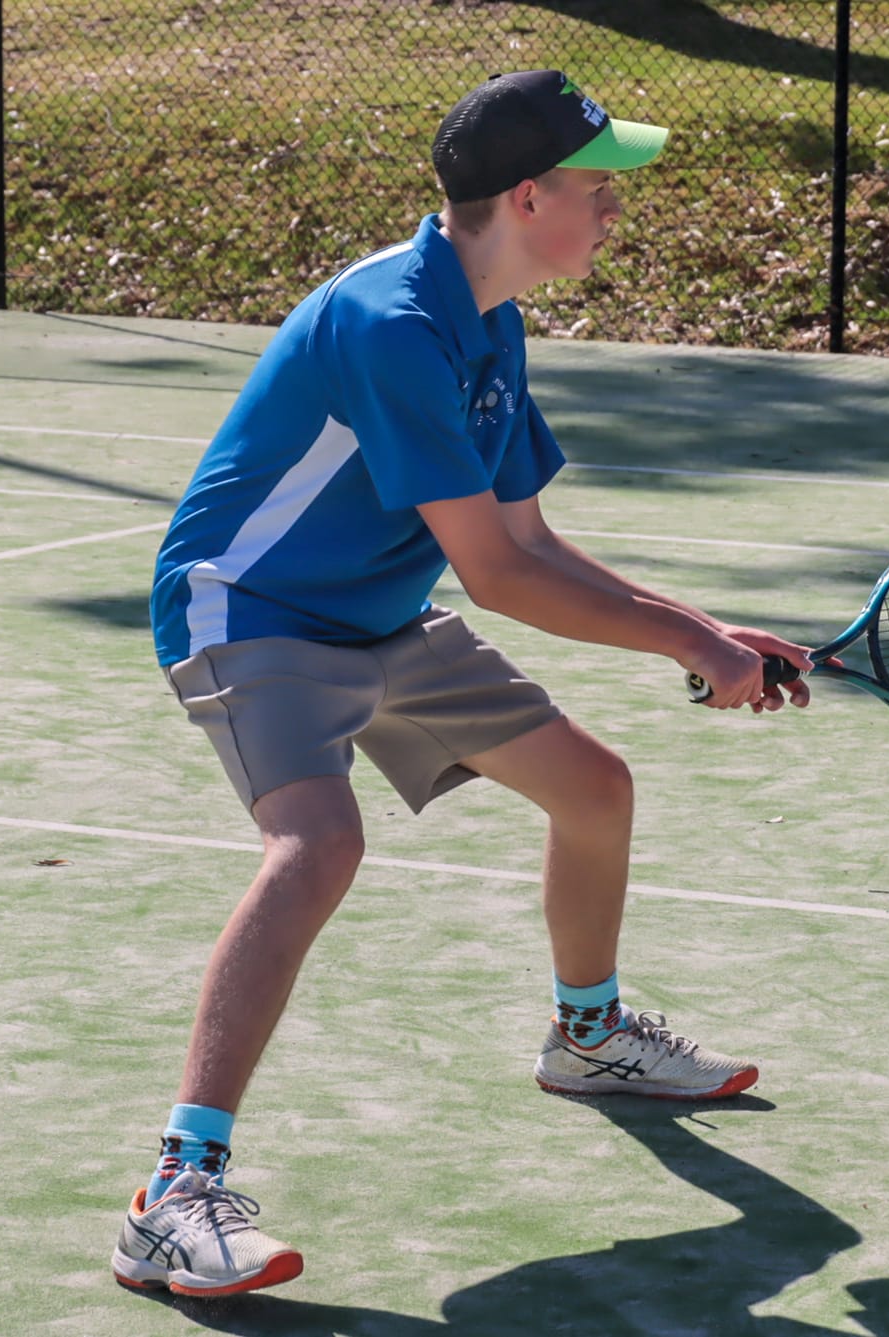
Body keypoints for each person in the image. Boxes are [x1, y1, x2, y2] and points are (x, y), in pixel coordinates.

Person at [110, 69, 814, 1299]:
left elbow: (529, 536)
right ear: (527, 197)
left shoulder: (492, 319)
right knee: (316, 846)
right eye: (598, 187)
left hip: (377, 610)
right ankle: (171, 1195)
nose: (615, 208)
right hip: (253, 608)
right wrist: (688, 649)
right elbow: (495, 574)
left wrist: (703, 627)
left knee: (593, 787)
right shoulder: (391, 322)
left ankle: (587, 1036)